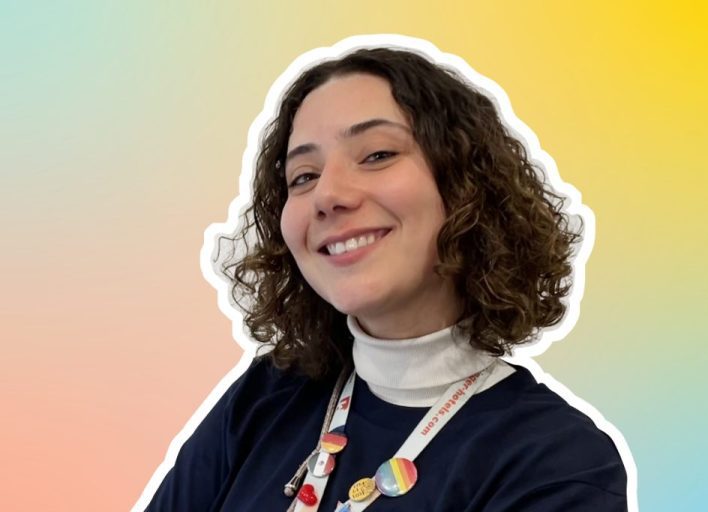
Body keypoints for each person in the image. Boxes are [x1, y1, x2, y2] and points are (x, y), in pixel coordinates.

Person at [144, 43, 629, 511]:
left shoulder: (557, 462)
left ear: (466, 186)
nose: (328, 195)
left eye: (376, 154)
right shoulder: (265, 398)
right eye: (304, 176)